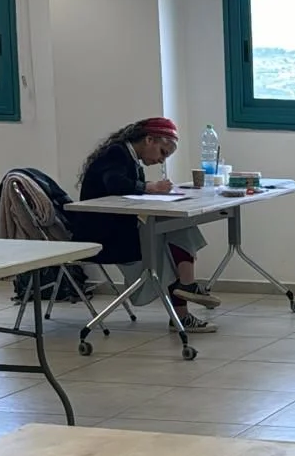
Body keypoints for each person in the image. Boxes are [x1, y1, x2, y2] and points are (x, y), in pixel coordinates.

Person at [69, 117, 220, 334]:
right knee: (170, 236)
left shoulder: (129, 158)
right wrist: (150, 187)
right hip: (102, 234)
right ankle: (183, 302)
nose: (161, 160)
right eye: (163, 153)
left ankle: (186, 291)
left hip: (118, 226)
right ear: (149, 140)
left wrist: (151, 190)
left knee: (178, 224)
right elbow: (115, 184)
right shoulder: (116, 153)